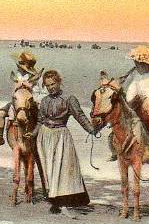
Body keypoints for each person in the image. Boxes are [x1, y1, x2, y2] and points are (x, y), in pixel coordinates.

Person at [27, 70, 97, 214]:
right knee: (50, 168)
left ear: (59, 82)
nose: (51, 87)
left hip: (61, 136)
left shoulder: (69, 99)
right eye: (47, 85)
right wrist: (33, 133)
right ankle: (55, 200)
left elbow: (80, 116)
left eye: (53, 84)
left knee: (64, 168)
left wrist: (91, 130)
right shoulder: (45, 101)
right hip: (45, 136)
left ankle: (66, 200)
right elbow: (40, 121)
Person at [0, 52, 47, 150]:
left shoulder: (37, 78)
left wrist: (31, 90)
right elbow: (14, 94)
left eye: (22, 65)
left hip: (31, 101)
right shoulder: (18, 75)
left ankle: (41, 140)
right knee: (2, 112)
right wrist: (17, 87)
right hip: (18, 101)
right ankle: (0, 138)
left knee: (40, 117)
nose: (20, 68)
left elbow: (43, 93)